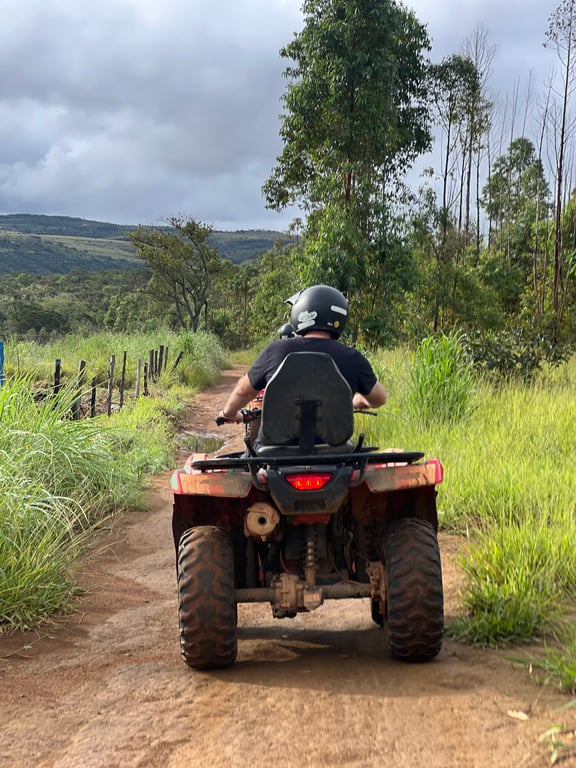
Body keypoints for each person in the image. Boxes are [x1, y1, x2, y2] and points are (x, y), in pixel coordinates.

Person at [219, 285, 387, 424]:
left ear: (302, 312)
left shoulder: (276, 350)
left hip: (276, 450)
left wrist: (228, 413)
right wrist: (359, 401)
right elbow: (379, 398)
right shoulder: (352, 358)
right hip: (335, 450)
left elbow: (244, 392)